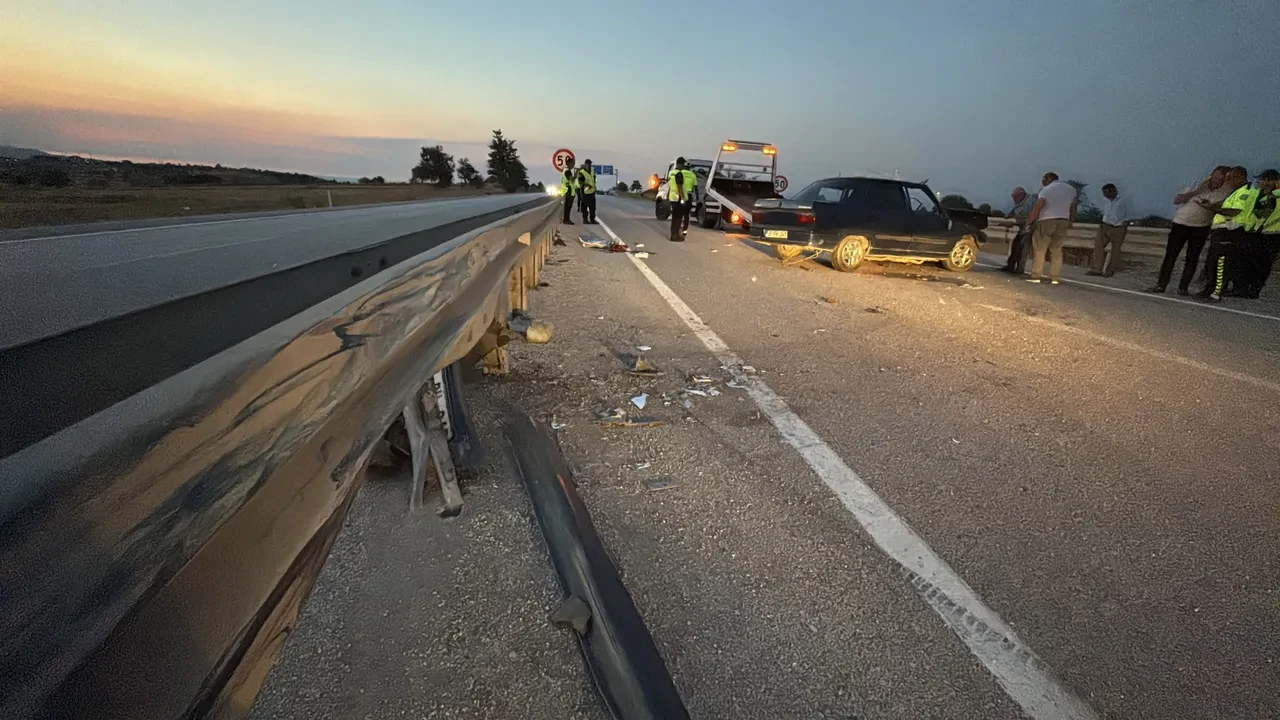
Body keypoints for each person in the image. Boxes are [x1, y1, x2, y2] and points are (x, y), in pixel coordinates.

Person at [1149, 166, 1238, 294]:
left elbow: (1228, 211)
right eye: (1214, 177)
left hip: (1201, 227)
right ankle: (1161, 285)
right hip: (1180, 223)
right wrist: (1196, 191)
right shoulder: (1196, 183)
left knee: (1192, 258)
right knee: (1170, 256)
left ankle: (1183, 288)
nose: (1216, 180)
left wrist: (1210, 207)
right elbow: (1177, 200)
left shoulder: (1227, 192)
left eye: (1220, 179)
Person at [1201, 167, 1257, 302]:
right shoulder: (1236, 191)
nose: (1227, 181)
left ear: (1240, 177)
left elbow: (1234, 211)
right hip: (1222, 231)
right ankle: (1209, 290)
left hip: (1231, 231)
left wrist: (1213, 208)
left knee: (1221, 264)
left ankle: (1216, 293)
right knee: (1213, 263)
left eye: (1230, 178)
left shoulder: (1247, 192)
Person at [1025, 172, 1077, 284]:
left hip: (1046, 220)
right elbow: (1072, 208)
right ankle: (1055, 277)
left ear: (1049, 179)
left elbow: (1038, 207)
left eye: (1044, 179)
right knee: (1056, 249)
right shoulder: (1071, 190)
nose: (1042, 182)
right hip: (1063, 220)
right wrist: (1071, 221)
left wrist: (1029, 222)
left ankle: (1036, 275)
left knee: (1040, 249)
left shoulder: (1046, 190)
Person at [1237, 169, 1280, 297]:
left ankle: (1254, 289)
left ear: (1268, 180)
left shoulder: (1274, 195)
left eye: (1262, 180)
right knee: (1257, 262)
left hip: (1272, 233)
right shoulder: (1268, 195)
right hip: (1264, 232)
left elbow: (1262, 214)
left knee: (1263, 263)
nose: (1260, 183)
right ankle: (1249, 288)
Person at [1088, 183, 1133, 277]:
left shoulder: (1124, 200)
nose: (1104, 195)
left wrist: (1125, 225)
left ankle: (1110, 270)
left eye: (1106, 193)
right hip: (1105, 225)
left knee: (1115, 250)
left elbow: (1129, 214)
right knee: (1098, 246)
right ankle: (1096, 269)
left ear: (1113, 191)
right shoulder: (1105, 200)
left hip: (1118, 227)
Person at [1000, 186, 1036, 274]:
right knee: (1015, 246)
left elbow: (1029, 219)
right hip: (1022, 228)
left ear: (1021, 195)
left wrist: (1013, 223)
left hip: (1029, 228)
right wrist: (1008, 216)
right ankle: (1010, 266)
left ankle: (1020, 269)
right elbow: (1014, 211)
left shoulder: (1030, 203)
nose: (1014, 199)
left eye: (1015, 197)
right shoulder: (1019, 202)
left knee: (1024, 249)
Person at [666, 157, 698, 241]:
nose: (683, 166)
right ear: (680, 164)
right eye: (683, 165)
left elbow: (670, 185)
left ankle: (673, 234)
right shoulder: (679, 174)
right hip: (678, 198)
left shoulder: (672, 173)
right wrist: (682, 198)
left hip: (672, 197)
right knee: (678, 218)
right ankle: (675, 236)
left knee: (674, 217)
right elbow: (680, 186)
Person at [577, 159, 598, 224]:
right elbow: (579, 181)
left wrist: (594, 185)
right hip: (585, 192)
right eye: (588, 164)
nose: (589, 165)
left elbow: (594, 178)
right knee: (584, 206)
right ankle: (585, 220)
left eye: (590, 164)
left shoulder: (592, 170)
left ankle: (592, 220)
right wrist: (587, 184)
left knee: (593, 207)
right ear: (585, 164)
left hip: (592, 191)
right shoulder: (582, 172)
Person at [560, 157, 578, 225]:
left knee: (568, 206)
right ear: (569, 163)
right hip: (568, 191)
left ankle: (567, 219)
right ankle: (566, 220)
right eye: (573, 163)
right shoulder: (567, 171)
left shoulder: (565, 170)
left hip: (567, 190)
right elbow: (572, 179)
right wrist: (576, 173)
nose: (573, 165)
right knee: (568, 206)